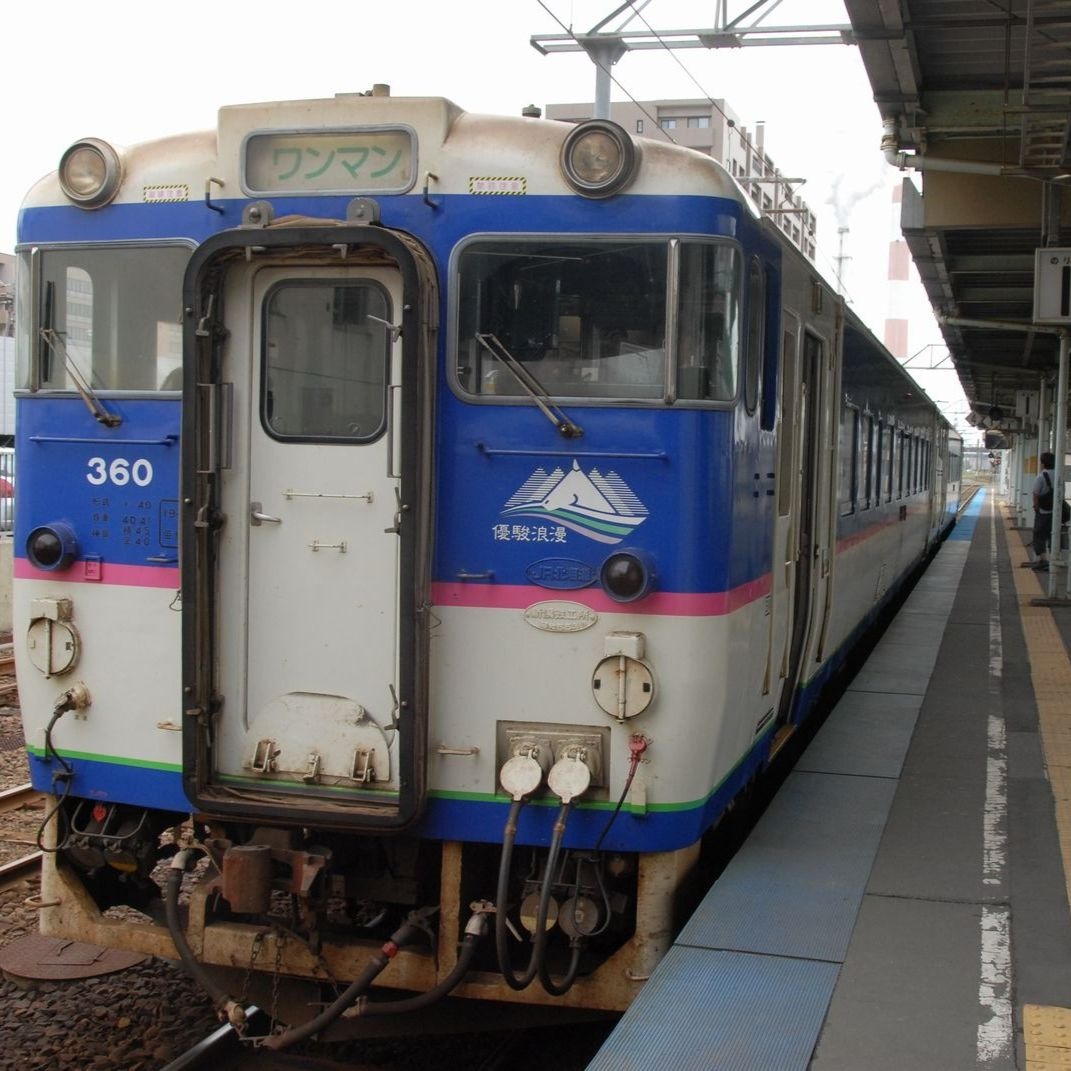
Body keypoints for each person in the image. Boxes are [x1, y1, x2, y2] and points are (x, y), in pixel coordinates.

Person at [1031, 451, 1064, 570]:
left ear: (1043, 463)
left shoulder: (1041, 476)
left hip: (1043, 511)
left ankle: (1042, 559)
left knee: (1039, 534)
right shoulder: (1059, 475)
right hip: (1057, 511)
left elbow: (1035, 494)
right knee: (1054, 533)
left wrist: (1036, 507)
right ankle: (1055, 558)